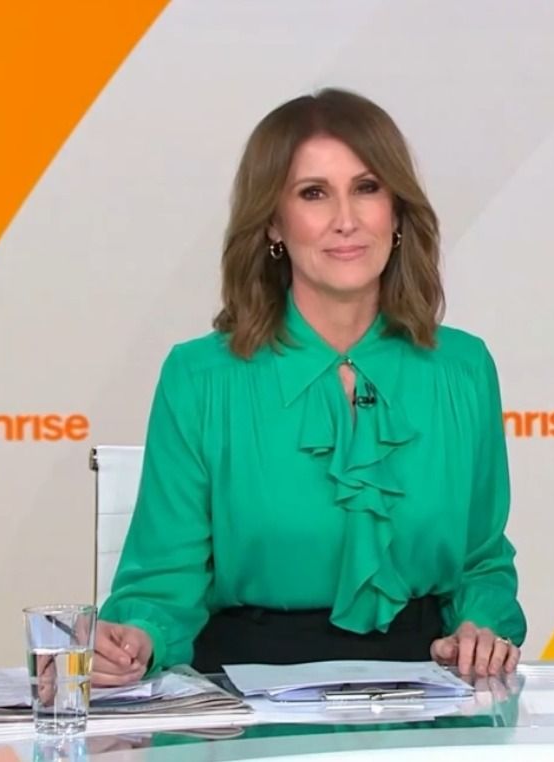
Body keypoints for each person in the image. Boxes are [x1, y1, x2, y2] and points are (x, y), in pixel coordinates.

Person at [90, 88, 525, 685]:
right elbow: (164, 581)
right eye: (313, 193)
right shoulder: (199, 378)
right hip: (246, 693)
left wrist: (481, 628)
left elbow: (481, 563)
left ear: (397, 212)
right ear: (273, 220)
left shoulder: (463, 369)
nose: (346, 219)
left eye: (367, 188)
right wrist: (135, 639)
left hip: (429, 687)